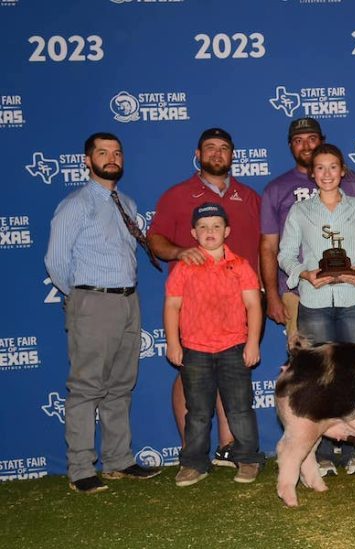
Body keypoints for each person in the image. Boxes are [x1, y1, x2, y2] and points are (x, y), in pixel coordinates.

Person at [45, 132, 161, 493]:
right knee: (86, 387)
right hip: (94, 300)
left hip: (128, 299)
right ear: (86, 160)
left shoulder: (125, 202)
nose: (111, 158)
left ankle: (118, 460)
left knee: (120, 385)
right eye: (102, 153)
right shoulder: (77, 203)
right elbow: (55, 260)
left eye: (116, 152)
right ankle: (80, 468)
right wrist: (81, 296)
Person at [148, 128, 261, 467]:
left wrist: (261, 290)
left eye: (224, 148)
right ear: (198, 154)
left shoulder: (249, 196)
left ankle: (230, 445)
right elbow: (155, 240)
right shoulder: (177, 195)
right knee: (188, 374)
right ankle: (191, 450)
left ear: (232, 155)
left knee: (234, 375)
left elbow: (265, 245)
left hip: (240, 299)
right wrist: (181, 251)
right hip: (194, 304)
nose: (217, 153)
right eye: (210, 148)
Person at [278, 143, 355, 476]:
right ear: (311, 173)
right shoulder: (300, 212)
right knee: (317, 381)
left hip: (353, 301)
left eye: (332, 167)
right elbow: (285, 255)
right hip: (315, 302)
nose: (326, 174)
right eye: (319, 168)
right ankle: (318, 453)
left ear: (343, 170)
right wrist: (304, 274)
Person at [165, 203, 266, 487]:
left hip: (233, 346)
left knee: (240, 408)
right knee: (197, 410)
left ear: (227, 231)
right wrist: (173, 343)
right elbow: (172, 306)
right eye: (203, 227)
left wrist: (252, 343)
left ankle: (247, 458)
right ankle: (194, 463)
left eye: (216, 226)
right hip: (195, 349)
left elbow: (253, 305)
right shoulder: (184, 268)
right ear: (193, 233)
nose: (210, 232)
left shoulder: (241, 266)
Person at [260, 117, 355, 340]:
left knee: (354, 367)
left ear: (322, 140)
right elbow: (269, 246)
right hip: (297, 291)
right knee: (311, 367)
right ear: (290, 145)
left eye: (312, 139)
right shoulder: (276, 189)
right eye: (298, 141)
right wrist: (271, 294)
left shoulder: (352, 182)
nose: (306, 146)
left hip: (351, 289)